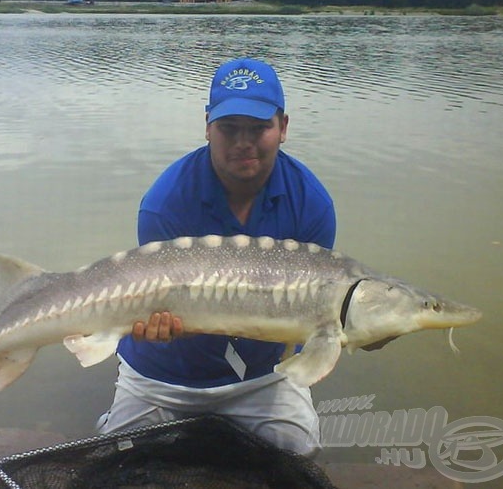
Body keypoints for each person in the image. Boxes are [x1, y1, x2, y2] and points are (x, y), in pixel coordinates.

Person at [97, 57, 336, 457]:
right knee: (118, 454)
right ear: (208, 126)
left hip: (262, 375)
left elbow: (313, 313)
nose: (243, 141)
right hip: (165, 371)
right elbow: (156, 305)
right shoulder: (164, 204)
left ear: (283, 128)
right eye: (229, 128)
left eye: (259, 128)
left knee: (300, 449)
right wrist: (155, 323)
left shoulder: (312, 205)